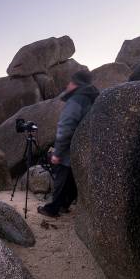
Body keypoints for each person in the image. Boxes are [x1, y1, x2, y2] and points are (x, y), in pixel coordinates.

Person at [38, 70, 99, 218]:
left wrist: (57, 153)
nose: (68, 85)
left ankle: (52, 209)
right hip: (85, 148)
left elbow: (66, 127)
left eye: (70, 82)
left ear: (76, 84)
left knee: (61, 177)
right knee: (72, 178)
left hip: (70, 149)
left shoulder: (77, 100)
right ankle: (64, 205)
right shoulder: (94, 98)